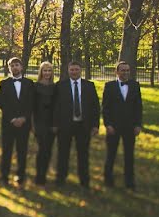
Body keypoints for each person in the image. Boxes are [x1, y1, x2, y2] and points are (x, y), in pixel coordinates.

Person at [52, 60, 100, 188]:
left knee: (83, 154)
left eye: (76, 69)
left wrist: (95, 125)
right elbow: (55, 107)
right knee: (63, 153)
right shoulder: (60, 86)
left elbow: (95, 107)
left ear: (81, 71)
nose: (74, 72)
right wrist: (55, 124)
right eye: (71, 70)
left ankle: (84, 181)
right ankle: (60, 179)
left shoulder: (89, 86)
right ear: (68, 71)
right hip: (65, 125)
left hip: (83, 126)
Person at [102, 61, 143, 189]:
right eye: (122, 70)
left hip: (130, 127)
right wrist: (108, 124)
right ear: (117, 72)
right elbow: (105, 108)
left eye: (127, 70)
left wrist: (138, 124)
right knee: (111, 154)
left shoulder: (135, 85)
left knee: (129, 155)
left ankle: (129, 182)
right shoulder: (109, 86)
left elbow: (138, 107)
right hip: (113, 126)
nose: (125, 73)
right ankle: (108, 180)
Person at [0, 57, 35, 186]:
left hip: (24, 123)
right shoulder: (4, 83)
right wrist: (13, 119)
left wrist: (24, 118)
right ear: (9, 68)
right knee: (7, 150)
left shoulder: (30, 83)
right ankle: (4, 176)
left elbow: (31, 103)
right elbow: (2, 103)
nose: (15, 67)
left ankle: (21, 175)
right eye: (12, 65)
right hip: (9, 123)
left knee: (22, 150)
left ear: (21, 67)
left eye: (17, 65)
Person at [33, 61, 57, 185]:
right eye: (45, 70)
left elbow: (58, 107)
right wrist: (33, 125)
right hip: (39, 122)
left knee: (48, 150)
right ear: (41, 72)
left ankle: (45, 174)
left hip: (52, 123)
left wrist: (55, 124)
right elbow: (32, 107)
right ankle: (39, 176)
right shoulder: (35, 86)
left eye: (49, 70)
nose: (47, 73)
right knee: (41, 149)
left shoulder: (55, 87)